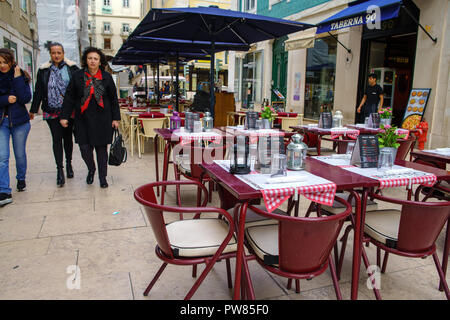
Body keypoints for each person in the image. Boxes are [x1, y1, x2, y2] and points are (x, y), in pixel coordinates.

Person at [60, 47, 120, 188]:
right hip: (83, 119)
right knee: (84, 149)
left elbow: (113, 99)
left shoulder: (106, 77)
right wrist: (64, 116)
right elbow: (69, 97)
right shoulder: (77, 76)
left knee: (101, 150)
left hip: (103, 119)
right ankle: (91, 169)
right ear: (85, 60)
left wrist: (115, 118)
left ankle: (103, 178)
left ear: (100, 62)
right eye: (90, 58)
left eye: (96, 59)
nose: (92, 61)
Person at [30, 43, 79, 187]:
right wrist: (33, 109)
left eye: (59, 52)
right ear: (50, 54)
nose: (56, 55)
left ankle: (69, 164)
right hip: (51, 110)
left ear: (63, 53)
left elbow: (77, 89)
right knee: (56, 140)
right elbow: (38, 90)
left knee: (67, 139)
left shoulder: (71, 69)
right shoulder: (44, 70)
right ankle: (60, 170)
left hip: (69, 111)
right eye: (53, 53)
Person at [0, 48, 32, 206]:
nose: (2, 66)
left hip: (20, 122)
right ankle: (4, 190)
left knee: (19, 154)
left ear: (11, 61)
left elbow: (25, 97)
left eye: (5, 62)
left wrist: (18, 78)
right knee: (2, 157)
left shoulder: (21, 76)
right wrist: (5, 99)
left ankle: (21, 178)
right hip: (1, 123)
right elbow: (8, 99)